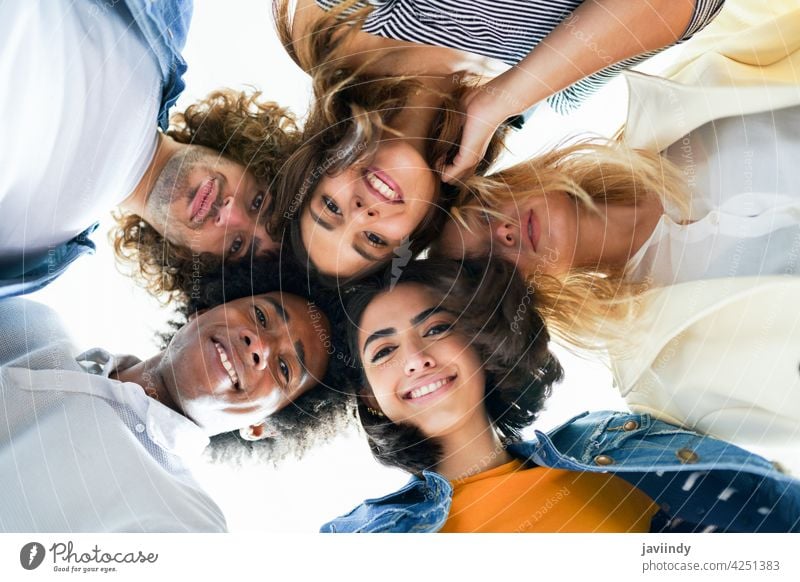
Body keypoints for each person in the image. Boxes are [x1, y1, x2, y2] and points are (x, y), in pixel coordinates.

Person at [433, 2, 800, 469]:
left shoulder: (683, 92)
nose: (503, 233)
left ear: (507, 180)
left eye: (484, 213)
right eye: (488, 262)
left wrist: (499, 99)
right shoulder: (669, 382)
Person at [321, 257, 800, 533]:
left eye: (438, 328)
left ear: (480, 345)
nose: (415, 358)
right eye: (383, 351)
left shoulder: (618, 445)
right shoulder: (360, 539)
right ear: (369, 398)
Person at [0, 265, 350, 531]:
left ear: (261, 427)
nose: (259, 345)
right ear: (203, 310)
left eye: (285, 368)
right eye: (260, 315)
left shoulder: (188, 524)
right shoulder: (27, 322)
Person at [0, 1, 296, 300]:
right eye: (258, 201)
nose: (230, 213)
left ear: (194, 262)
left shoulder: (28, 260)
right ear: (250, 157)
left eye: (237, 246)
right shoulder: (163, 17)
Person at [282, 0, 725, 182]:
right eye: (376, 242)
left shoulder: (334, 27)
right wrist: (503, 99)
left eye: (331, 213)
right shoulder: (552, 89)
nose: (365, 212)